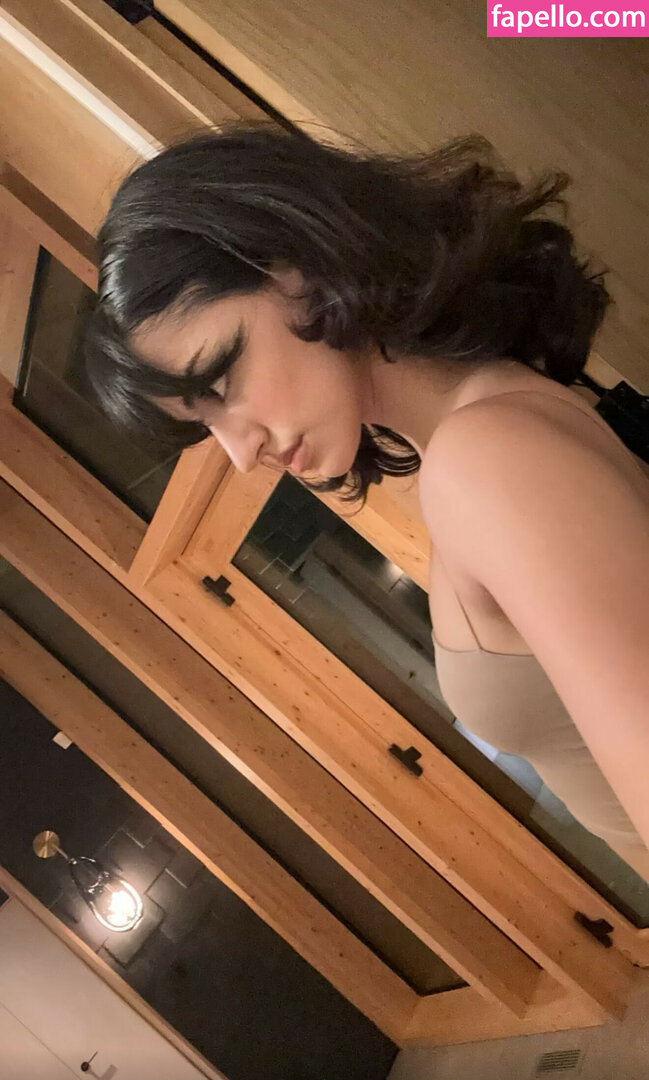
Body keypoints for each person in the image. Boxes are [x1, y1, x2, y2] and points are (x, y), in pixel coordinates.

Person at [85, 121, 649, 879]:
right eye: (206, 426)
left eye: (221, 383)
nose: (240, 452)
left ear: (295, 262)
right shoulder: (475, 430)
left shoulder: (484, 461)